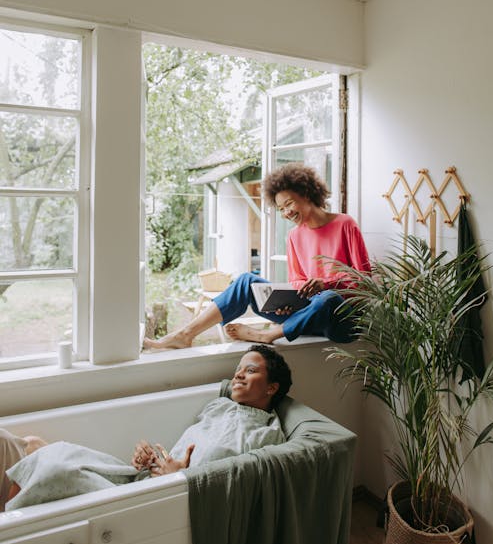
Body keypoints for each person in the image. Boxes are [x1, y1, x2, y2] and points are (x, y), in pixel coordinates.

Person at [1, 345, 291, 510]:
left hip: (166, 500)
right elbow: (178, 455)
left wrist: (181, 477)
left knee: (54, 468)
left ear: (272, 388)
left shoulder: (267, 435)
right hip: (143, 482)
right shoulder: (218, 407)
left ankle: (8, 524)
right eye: (239, 368)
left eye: (250, 370)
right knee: (46, 448)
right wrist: (151, 460)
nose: (238, 374)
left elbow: (241, 490)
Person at [143, 162, 370, 350]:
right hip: (305, 316)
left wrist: (324, 284)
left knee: (327, 298)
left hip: (340, 320)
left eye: (289, 203)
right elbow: (297, 281)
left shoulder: (345, 225)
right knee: (246, 282)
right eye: (281, 209)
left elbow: (365, 283)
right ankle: (186, 334)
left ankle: (267, 335)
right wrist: (287, 302)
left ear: (307, 193)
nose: (286, 212)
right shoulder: (294, 236)